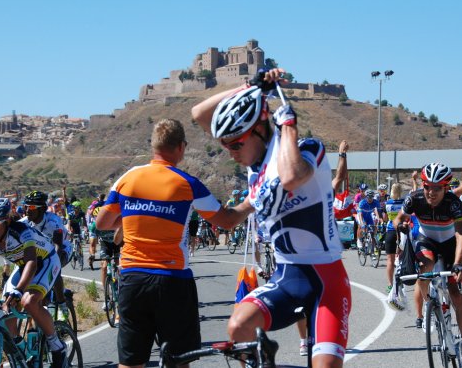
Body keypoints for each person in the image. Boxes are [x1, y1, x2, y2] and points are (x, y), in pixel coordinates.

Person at [192, 68, 350, 367]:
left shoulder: (309, 149)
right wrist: (250, 86)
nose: (230, 153)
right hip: (287, 277)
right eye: (225, 145)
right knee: (238, 325)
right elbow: (199, 113)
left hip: (327, 281)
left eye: (236, 143)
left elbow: (291, 177)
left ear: (262, 128)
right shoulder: (257, 172)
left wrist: (288, 124)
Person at [96, 118, 249, 368]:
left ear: (153, 146)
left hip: (132, 278)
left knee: (131, 361)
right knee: (179, 361)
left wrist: (136, 218)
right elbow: (228, 222)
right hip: (172, 279)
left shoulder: (128, 178)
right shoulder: (187, 183)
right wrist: (251, 202)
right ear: (181, 147)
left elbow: (102, 222)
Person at [393, 163, 462, 368]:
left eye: (437, 188)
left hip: (450, 244)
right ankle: (430, 304)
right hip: (426, 240)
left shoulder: (453, 202)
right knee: (426, 266)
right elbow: (399, 218)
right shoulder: (415, 198)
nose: (431, 192)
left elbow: (461, 232)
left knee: (456, 295)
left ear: (446, 188)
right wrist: (400, 225)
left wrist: (458, 263)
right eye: (427, 186)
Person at [0, 198, 68, 368]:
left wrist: (19, 290)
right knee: (4, 314)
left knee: (28, 301)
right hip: (22, 267)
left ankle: (57, 346)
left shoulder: (22, 231)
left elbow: (32, 263)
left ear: (7, 221)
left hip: (45, 262)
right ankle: (21, 352)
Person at [19, 190, 72, 321]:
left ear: (42, 208)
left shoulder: (54, 221)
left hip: (62, 248)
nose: (27, 210)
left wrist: (53, 266)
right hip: (41, 252)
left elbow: (58, 246)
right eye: (25, 207)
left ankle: (61, 303)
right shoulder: (23, 223)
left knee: (54, 270)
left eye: (31, 207)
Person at [384, 183, 405, 293]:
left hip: (390, 231)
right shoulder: (404, 203)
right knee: (401, 258)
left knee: (390, 260)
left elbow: (385, 218)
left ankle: (390, 284)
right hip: (402, 231)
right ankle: (400, 282)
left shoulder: (387, 203)